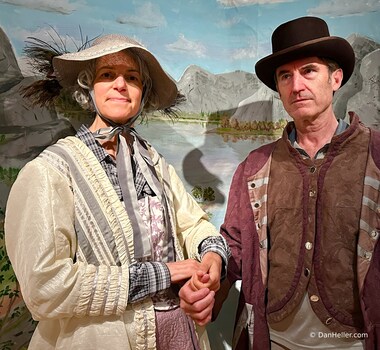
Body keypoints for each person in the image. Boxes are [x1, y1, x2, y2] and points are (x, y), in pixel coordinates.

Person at [4, 34, 230, 350]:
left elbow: (193, 223)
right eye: (107, 75)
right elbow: (45, 287)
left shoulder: (153, 160)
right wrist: (163, 273)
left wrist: (210, 260)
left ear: (143, 92)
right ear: (88, 88)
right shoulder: (52, 171)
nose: (120, 85)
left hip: (179, 334)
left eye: (132, 78)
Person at [180, 16, 380, 350]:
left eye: (309, 71)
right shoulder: (255, 166)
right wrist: (208, 285)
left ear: (336, 78)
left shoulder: (376, 155)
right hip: (271, 340)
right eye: (285, 76)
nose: (296, 85)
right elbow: (236, 248)